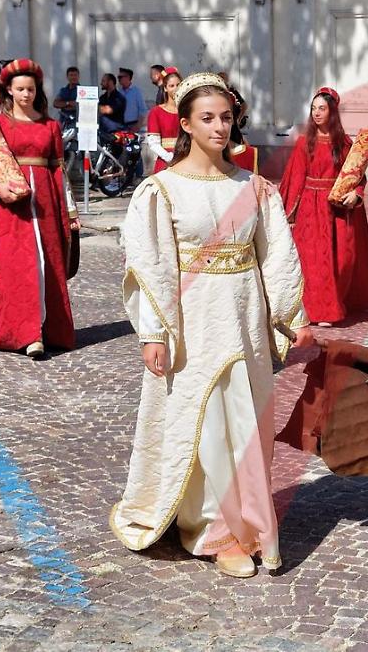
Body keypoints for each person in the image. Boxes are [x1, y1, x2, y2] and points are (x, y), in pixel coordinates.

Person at [110, 72, 312, 578]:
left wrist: (291, 317)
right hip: (192, 322)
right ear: (185, 124)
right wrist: (154, 331)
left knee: (246, 424)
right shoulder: (162, 189)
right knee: (204, 425)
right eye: (207, 118)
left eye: (226, 117)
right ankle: (212, 532)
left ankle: (246, 525)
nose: (220, 127)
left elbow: (278, 256)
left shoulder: (254, 188)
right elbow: (151, 264)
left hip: (245, 318)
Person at [0, 59, 80, 357]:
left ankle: (48, 329)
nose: (26, 94)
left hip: (46, 204)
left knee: (48, 265)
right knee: (16, 268)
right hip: (12, 208)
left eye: (30, 89)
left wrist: (70, 212)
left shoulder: (50, 125)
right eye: (20, 89)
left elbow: (59, 171)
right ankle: (24, 334)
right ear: (8, 89)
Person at [279, 87, 368, 325]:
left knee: (342, 259)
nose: (316, 113)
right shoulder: (305, 142)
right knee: (314, 261)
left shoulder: (344, 143)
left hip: (335, 208)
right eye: (313, 108)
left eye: (321, 108)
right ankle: (320, 311)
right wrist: (289, 213)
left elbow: (357, 174)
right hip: (310, 209)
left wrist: (356, 194)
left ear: (332, 111)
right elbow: (294, 177)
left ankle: (341, 301)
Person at [145, 67, 181, 173]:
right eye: (171, 86)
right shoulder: (156, 112)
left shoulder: (187, 110)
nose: (175, 89)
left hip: (187, 161)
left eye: (178, 85)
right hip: (166, 163)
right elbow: (153, 143)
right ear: (165, 88)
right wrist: (169, 157)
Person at [118, 67, 147, 131]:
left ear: (128, 77)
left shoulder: (136, 91)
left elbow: (143, 110)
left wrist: (138, 125)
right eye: (118, 77)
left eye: (120, 77)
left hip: (133, 126)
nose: (119, 79)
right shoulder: (119, 92)